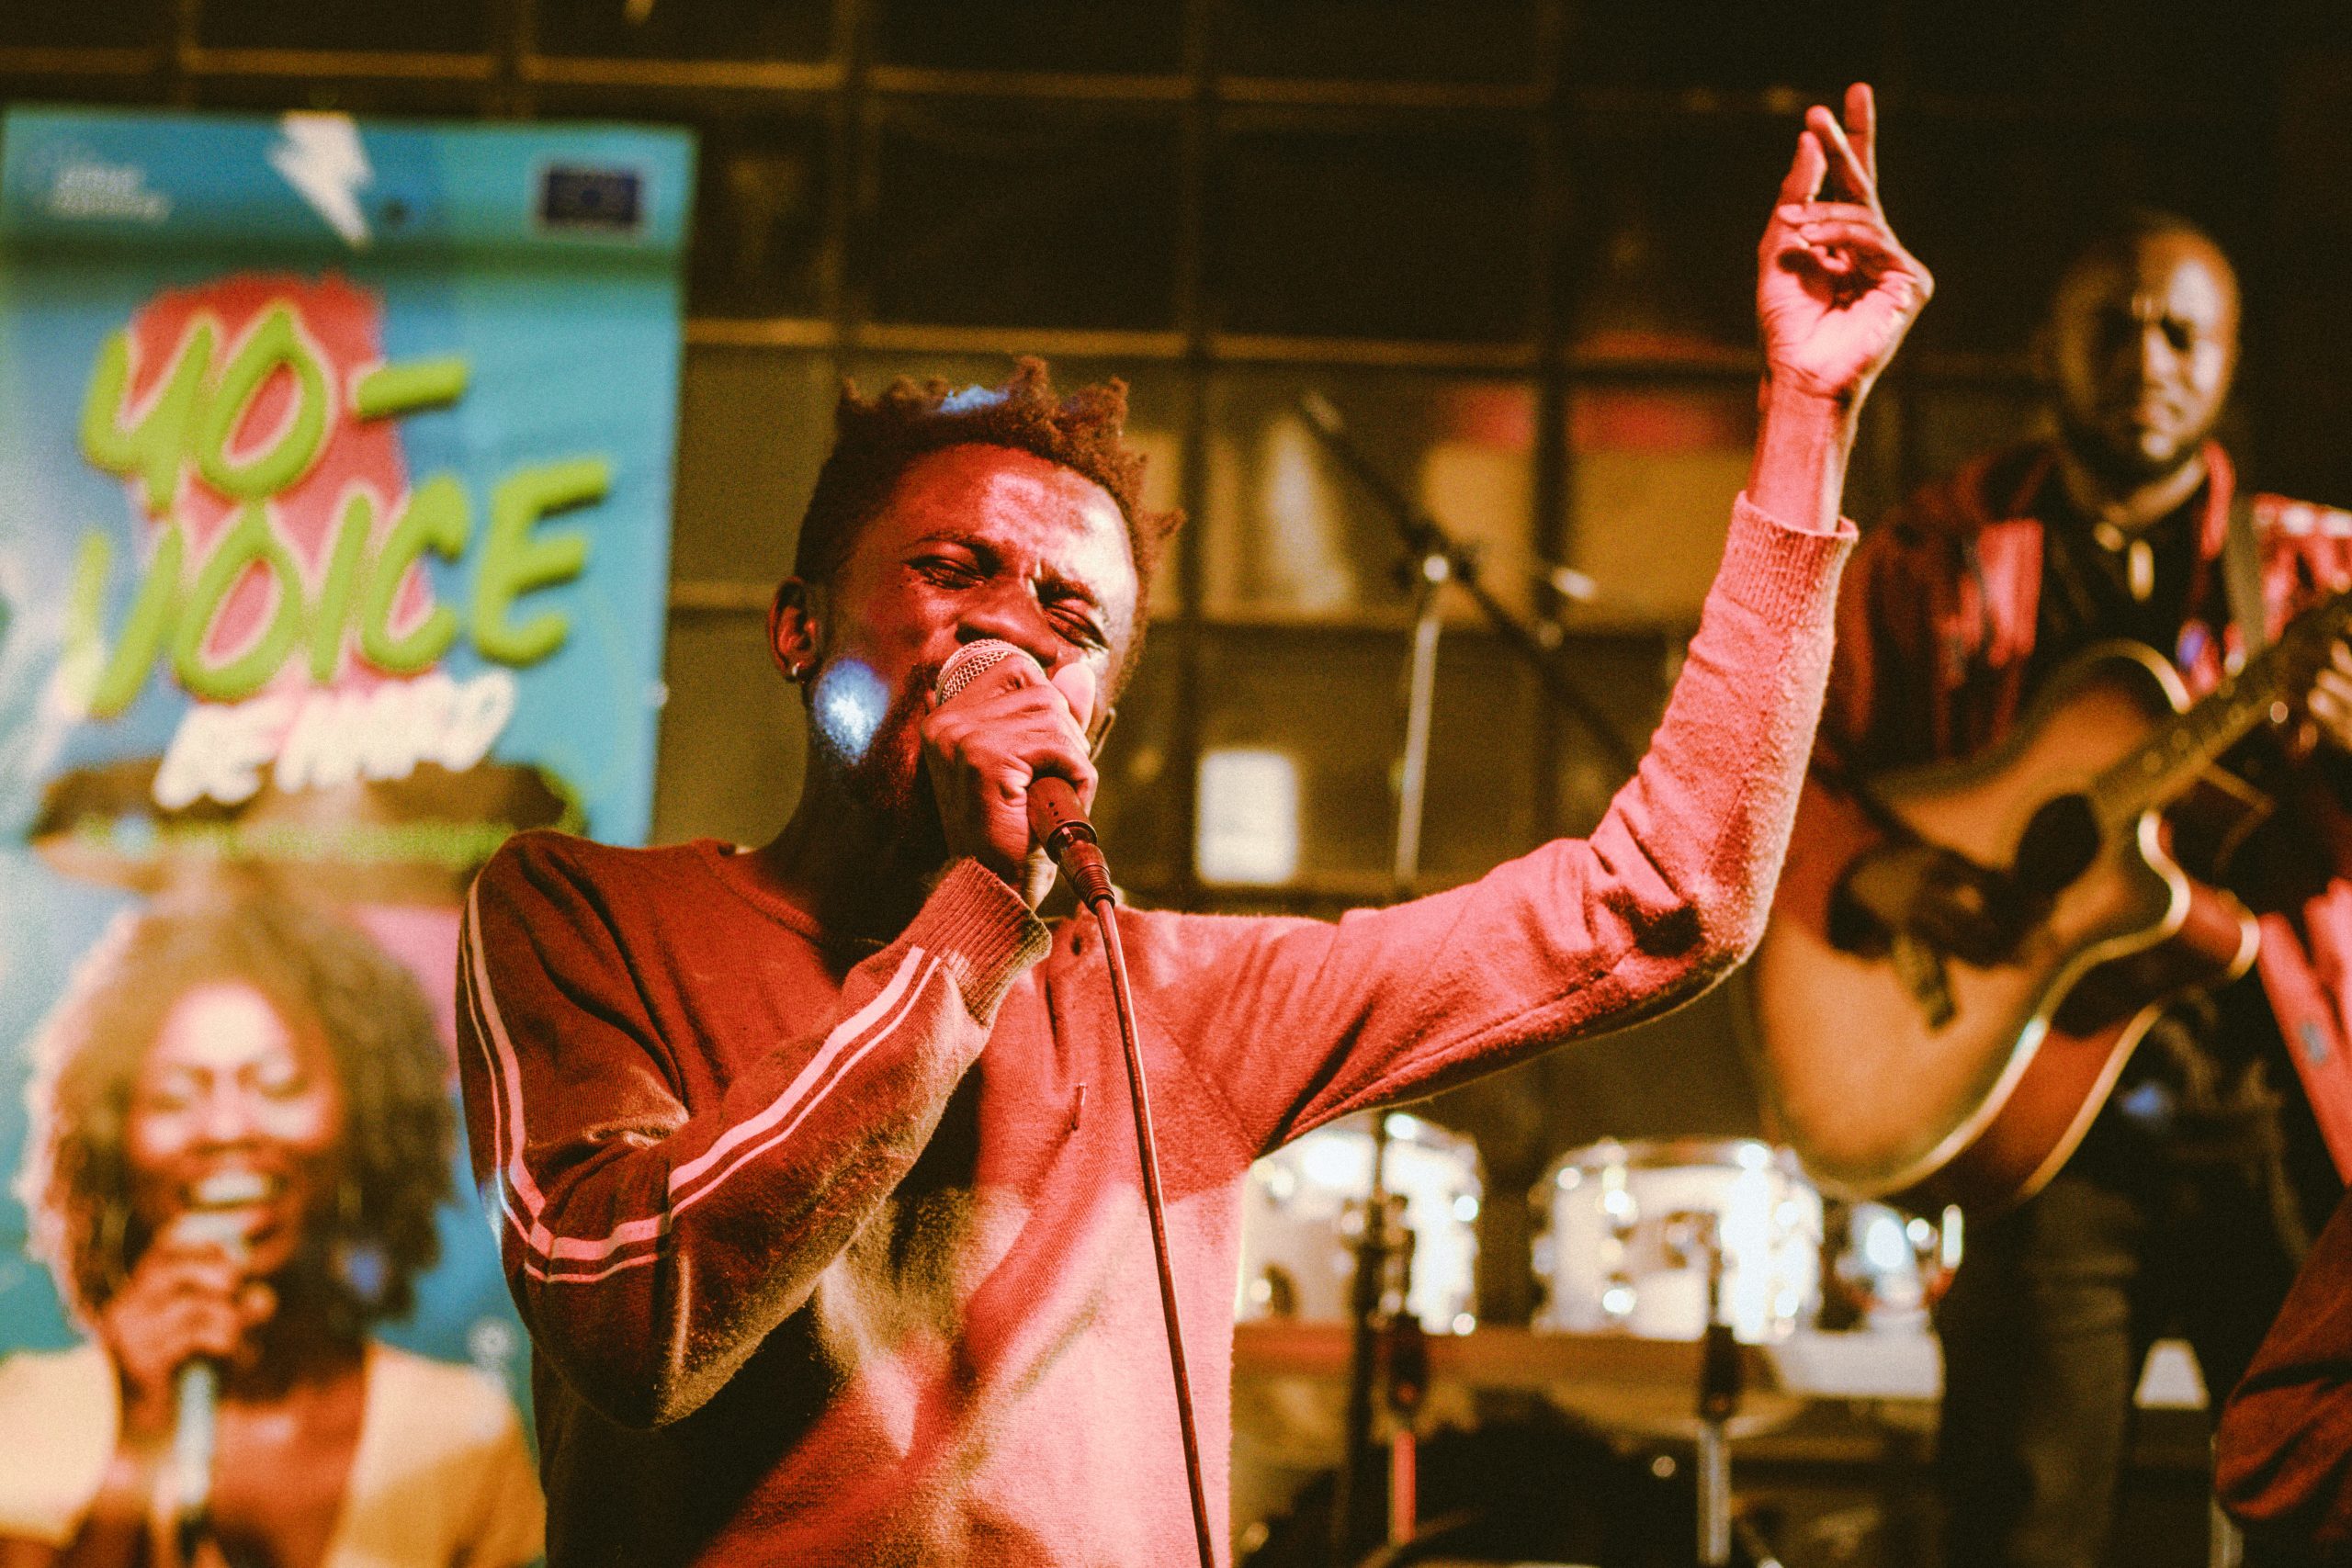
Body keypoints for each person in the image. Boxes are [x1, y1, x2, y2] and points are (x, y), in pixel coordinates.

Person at [454, 84, 1929, 1567]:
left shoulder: (1172, 1003)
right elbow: (634, 1320)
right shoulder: (585, 911)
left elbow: (1664, 897)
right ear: (799, 629)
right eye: (954, 568)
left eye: (1071, 616)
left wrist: (1807, 420)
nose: (1012, 629)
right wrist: (972, 919)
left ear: (1094, 723)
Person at [1804, 209, 2352, 1568]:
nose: (2147, 359)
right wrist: (1878, 870)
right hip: (2040, 1138)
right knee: (2019, 1530)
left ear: (2228, 360)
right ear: (2042, 350)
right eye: (2114, 327)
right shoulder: (1932, 554)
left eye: (2182, 333)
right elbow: (1790, 775)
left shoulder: (2316, 571)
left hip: (2284, 1122)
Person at [0, 886, 543, 1568]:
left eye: (280, 1084)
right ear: (112, 1142)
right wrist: (138, 1437)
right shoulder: (35, 1405)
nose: (227, 1128)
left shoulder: (461, 1432)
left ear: (365, 1119)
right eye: (173, 1095)